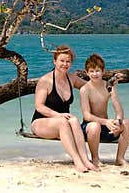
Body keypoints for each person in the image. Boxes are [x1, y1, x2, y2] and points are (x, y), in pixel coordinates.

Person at [31, 45, 96, 173]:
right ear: (54, 61)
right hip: (41, 122)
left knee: (74, 120)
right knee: (63, 121)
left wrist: (109, 87)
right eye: (62, 61)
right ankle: (77, 161)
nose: (65, 64)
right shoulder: (46, 81)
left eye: (68, 61)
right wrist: (58, 115)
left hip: (64, 123)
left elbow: (91, 88)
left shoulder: (71, 79)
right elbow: (39, 106)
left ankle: (85, 159)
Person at [79, 53, 129, 167]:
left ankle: (120, 158)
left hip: (106, 127)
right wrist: (106, 122)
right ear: (87, 73)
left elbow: (118, 110)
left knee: (128, 123)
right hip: (89, 127)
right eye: (92, 71)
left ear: (103, 72)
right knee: (95, 126)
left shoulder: (109, 86)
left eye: (98, 70)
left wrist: (118, 122)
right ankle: (95, 158)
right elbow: (86, 116)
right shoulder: (85, 89)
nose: (95, 74)